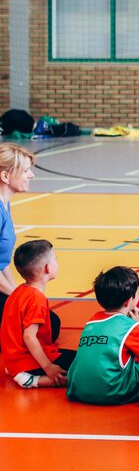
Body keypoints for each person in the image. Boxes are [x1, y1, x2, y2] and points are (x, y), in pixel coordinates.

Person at [66, 267, 139, 405]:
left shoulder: (91, 321)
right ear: (128, 301)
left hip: (77, 389)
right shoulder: (130, 326)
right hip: (112, 391)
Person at [0, 144, 58, 339]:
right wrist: (17, 297)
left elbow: (2, 261)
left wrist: (18, 292)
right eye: (25, 171)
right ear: (5, 176)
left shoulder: (5, 204)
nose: (31, 175)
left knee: (48, 322)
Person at [1, 240, 74, 388]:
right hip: (26, 361)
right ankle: (30, 378)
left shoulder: (19, 291)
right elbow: (29, 336)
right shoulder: (36, 299)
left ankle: (17, 370)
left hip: (14, 358)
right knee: (80, 366)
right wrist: (48, 367)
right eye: (55, 259)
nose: (57, 262)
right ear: (48, 268)